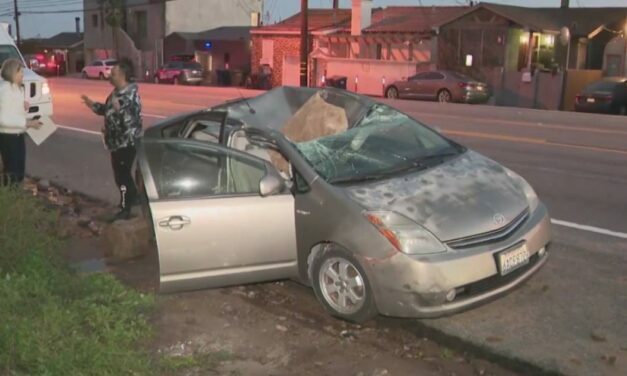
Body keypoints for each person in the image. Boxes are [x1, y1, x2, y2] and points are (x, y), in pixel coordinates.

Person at [81, 59, 142, 221]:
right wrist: (93, 105)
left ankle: (125, 208)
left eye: (113, 73)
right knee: (121, 175)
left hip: (126, 143)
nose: (109, 75)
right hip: (115, 143)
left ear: (122, 76)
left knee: (122, 177)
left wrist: (120, 109)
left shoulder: (130, 96)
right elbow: (107, 110)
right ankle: (132, 199)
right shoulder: (116, 93)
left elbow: (131, 121)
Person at [0, 58, 42, 186]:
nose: (23, 75)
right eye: (20, 72)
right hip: (9, 136)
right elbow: (3, 119)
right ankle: (10, 198)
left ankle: (14, 195)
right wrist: (27, 123)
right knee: (13, 173)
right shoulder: (5, 90)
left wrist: (22, 105)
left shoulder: (16, 88)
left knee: (18, 171)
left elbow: (11, 111)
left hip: (17, 135)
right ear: (12, 72)